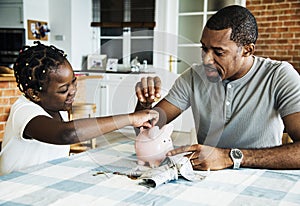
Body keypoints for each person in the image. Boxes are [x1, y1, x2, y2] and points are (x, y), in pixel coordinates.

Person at [135, 5, 300, 171]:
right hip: (204, 178)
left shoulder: (279, 76)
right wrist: (144, 105)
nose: (207, 60)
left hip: (260, 177)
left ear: (247, 50)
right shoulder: (193, 77)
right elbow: (146, 131)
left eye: (218, 52)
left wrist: (230, 157)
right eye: (204, 49)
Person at [0, 41, 159, 175]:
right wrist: (130, 118)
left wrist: (143, 104)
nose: (73, 90)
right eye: (63, 89)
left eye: (74, 81)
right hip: (15, 187)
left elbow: (141, 127)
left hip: (46, 181)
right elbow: (66, 133)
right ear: (34, 94)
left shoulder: (58, 106)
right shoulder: (24, 110)